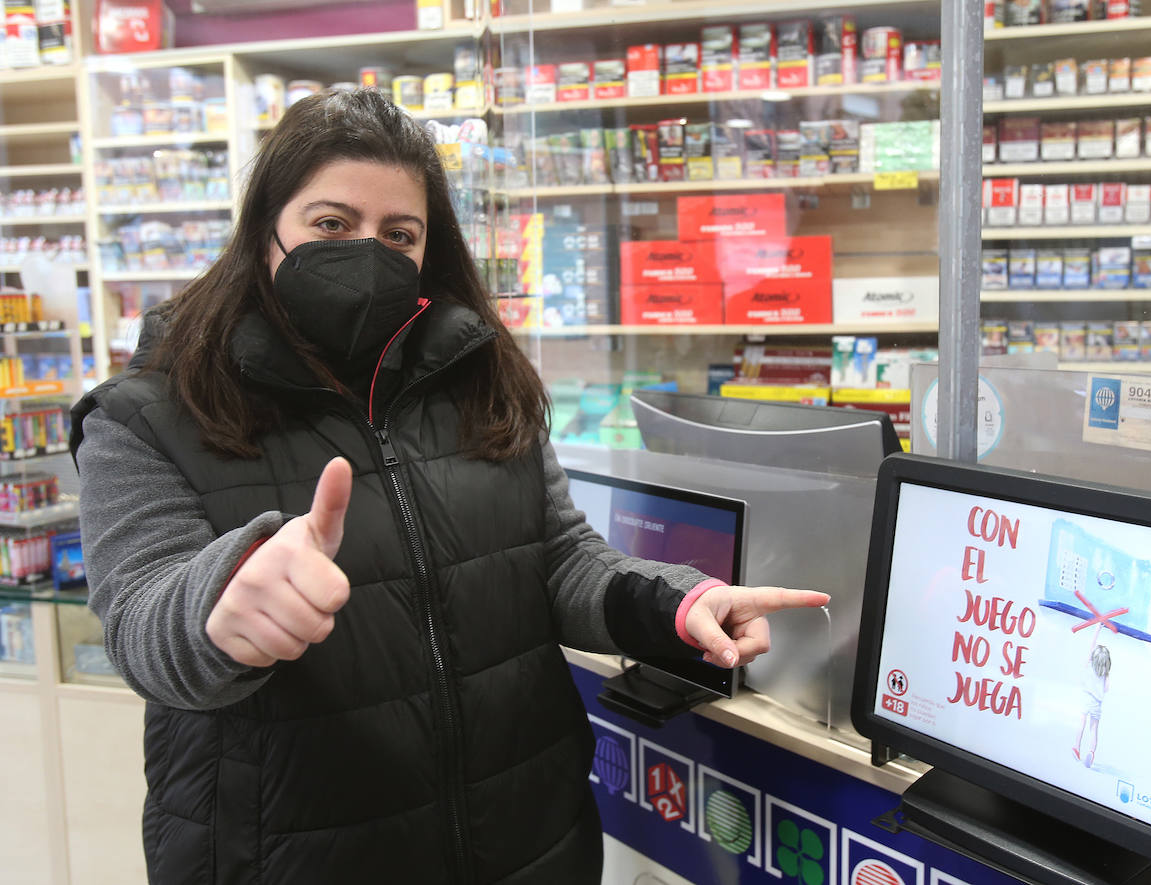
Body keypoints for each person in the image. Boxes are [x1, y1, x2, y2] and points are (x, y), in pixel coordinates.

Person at [72, 88, 828, 885]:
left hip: (527, 843)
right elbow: (141, 623)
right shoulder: (148, 415)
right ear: (265, 231)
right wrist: (222, 601)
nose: (366, 251)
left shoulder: (482, 378)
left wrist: (674, 603)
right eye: (331, 225)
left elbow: (558, 558)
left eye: (399, 234)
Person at [1072, 621, 1112, 769]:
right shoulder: (1105, 673)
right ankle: (1091, 752)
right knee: (1093, 729)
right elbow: (1107, 688)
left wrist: (1097, 629)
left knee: (1081, 723)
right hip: (1096, 702)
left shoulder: (1088, 665)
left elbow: (1091, 645)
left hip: (1085, 698)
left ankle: (1076, 747)